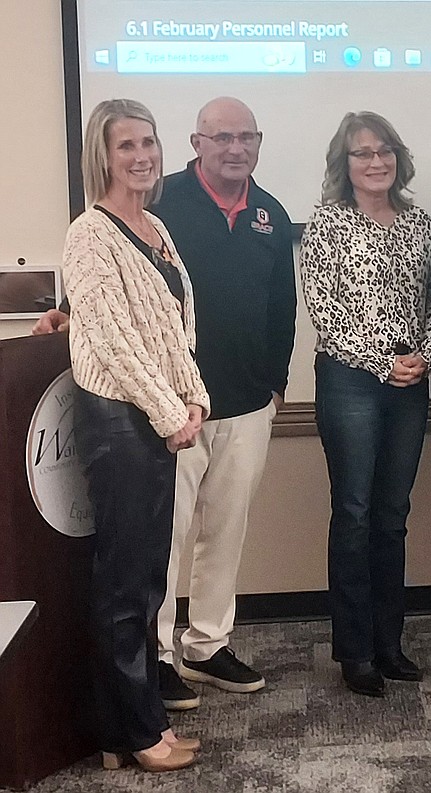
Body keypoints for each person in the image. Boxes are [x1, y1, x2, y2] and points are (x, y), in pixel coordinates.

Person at [36, 97, 297, 710]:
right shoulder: (163, 202)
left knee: (226, 532)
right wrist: (71, 314)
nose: (235, 147)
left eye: (246, 137)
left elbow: (279, 308)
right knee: (165, 540)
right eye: (221, 136)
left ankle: (208, 645)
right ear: (196, 142)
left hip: (245, 403)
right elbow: (118, 297)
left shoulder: (269, 212)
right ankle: (154, 657)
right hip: (167, 412)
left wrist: (278, 382)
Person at [62, 98, 207, 772]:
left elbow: (175, 330)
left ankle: (141, 721)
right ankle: (129, 732)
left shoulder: (154, 225)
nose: (142, 156)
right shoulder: (89, 233)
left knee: (148, 579)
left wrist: (194, 398)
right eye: (127, 146)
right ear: (103, 155)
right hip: (120, 422)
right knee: (126, 583)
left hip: (155, 421)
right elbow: (117, 341)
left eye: (149, 143)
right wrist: (169, 411)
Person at [299, 112, 431, 697]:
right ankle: (355, 652)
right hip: (351, 382)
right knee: (355, 514)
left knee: (393, 516)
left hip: (410, 385)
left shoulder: (420, 224)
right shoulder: (327, 224)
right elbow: (325, 311)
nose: (375, 162)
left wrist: (425, 356)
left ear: (398, 158)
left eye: (384, 151)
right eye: (362, 153)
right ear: (345, 163)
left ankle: (390, 643)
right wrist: (385, 360)